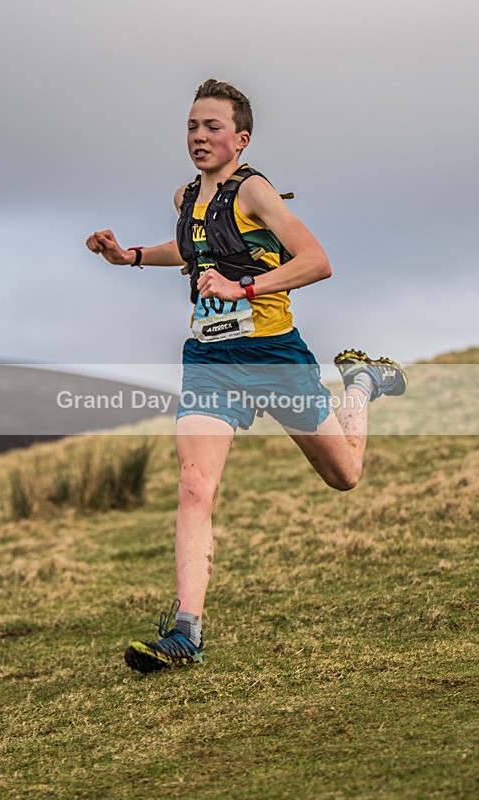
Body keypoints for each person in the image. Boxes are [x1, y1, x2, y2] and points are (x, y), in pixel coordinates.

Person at [86, 78, 407, 675]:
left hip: (273, 357)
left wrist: (244, 287)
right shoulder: (185, 195)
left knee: (345, 475)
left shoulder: (254, 190)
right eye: (191, 125)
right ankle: (185, 632)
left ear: (241, 138)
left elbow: (317, 261)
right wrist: (126, 256)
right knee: (193, 485)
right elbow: (194, 251)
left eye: (211, 127)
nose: (199, 136)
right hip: (209, 360)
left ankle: (360, 384)